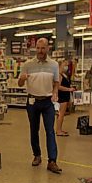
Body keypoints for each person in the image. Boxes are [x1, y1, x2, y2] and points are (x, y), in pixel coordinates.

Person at [18, 38, 61, 174]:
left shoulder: (54, 65)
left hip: (48, 102)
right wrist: (22, 79)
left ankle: (52, 161)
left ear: (48, 48)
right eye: (38, 48)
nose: (40, 51)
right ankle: (37, 155)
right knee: (34, 130)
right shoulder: (27, 65)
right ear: (35, 48)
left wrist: (55, 92)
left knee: (50, 131)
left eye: (43, 48)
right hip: (32, 102)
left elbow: (56, 82)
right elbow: (19, 83)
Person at [56, 60, 76, 136]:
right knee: (61, 114)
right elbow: (58, 87)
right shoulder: (59, 75)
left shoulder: (63, 74)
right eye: (64, 65)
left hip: (65, 95)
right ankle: (58, 130)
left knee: (61, 114)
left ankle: (59, 129)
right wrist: (69, 89)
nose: (66, 67)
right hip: (62, 96)